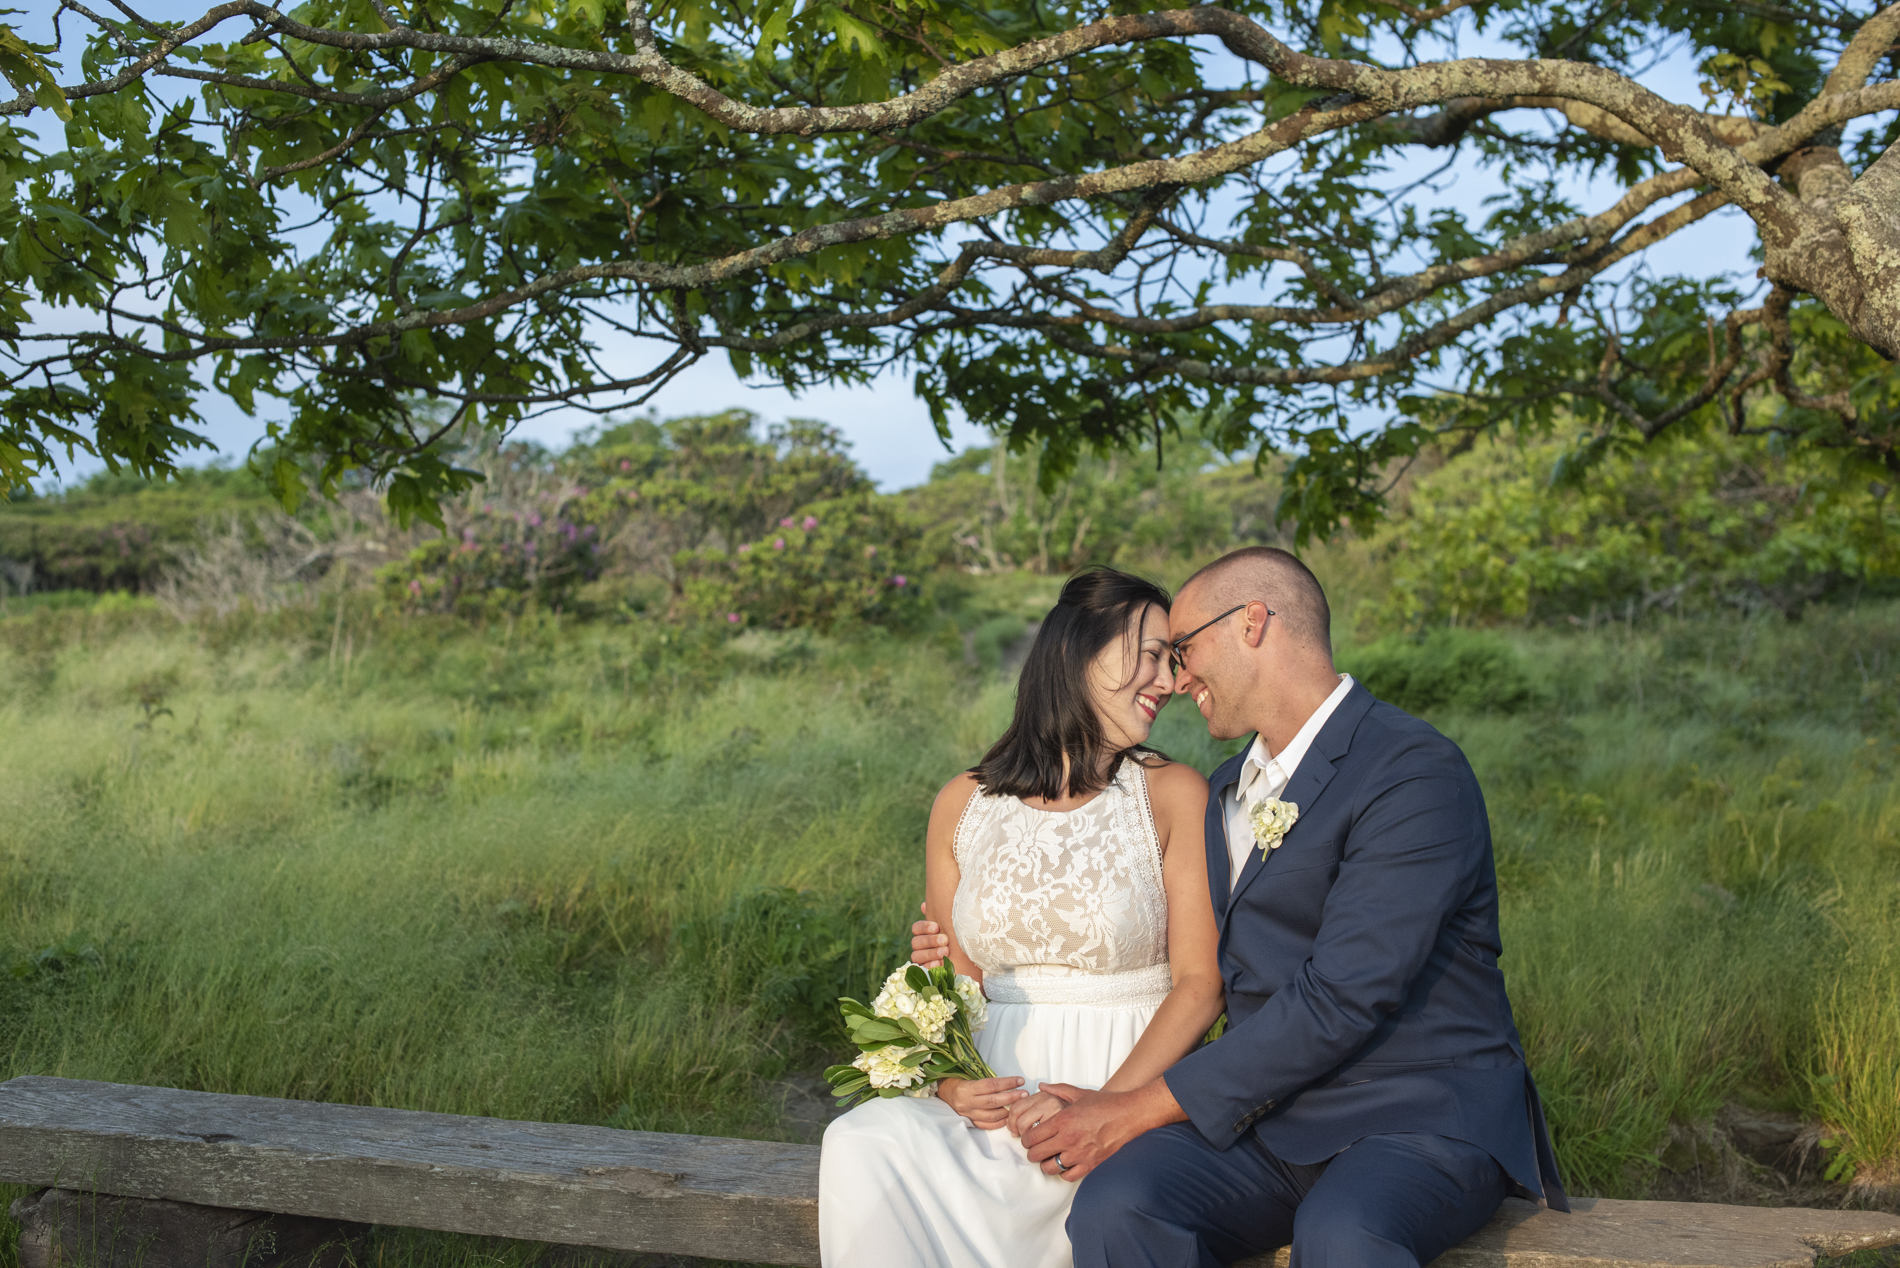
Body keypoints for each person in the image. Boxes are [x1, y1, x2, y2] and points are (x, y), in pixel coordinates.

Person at [912, 546, 1568, 1268]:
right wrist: (977, 941)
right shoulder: (1227, 787)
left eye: (1186, 648)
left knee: (1344, 1234)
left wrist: (1132, 1106)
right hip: (1274, 1120)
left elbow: (1345, 995)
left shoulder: (1411, 770)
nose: (1178, 675)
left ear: (1253, 622)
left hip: (1418, 1115)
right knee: (1122, 1202)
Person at [819, 567, 1225, 1268]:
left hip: (1119, 1083)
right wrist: (950, 1085)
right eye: (1151, 654)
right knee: (861, 1141)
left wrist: (1107, 1108)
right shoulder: (963, 803)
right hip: (995, 1094)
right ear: (1078, 652)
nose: (1166, 680)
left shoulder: (1171, 795)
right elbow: (953, 986)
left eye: (1173, 660)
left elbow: (1200, 983)